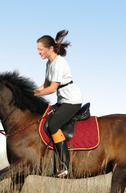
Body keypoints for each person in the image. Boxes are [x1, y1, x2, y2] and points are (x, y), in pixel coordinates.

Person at [33, 30, 83, 177]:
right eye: (38, 50)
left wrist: (36, 95)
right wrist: (30, 93)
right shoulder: (49, 64)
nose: (39, 52)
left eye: (41, 49)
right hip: (62, 100)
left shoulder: (59, 63)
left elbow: (52, 89)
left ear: (50, 49)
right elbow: (44, 85)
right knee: (45, 120)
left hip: (72, 100)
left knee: (53, 124)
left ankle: (65, 165)